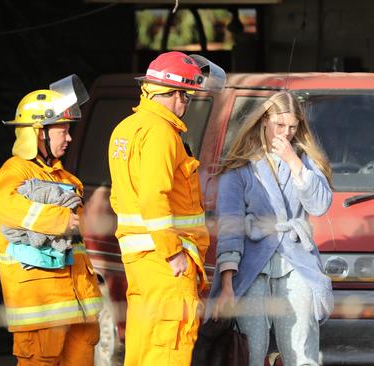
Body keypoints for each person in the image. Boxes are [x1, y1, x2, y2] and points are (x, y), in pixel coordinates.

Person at [107, 51, 225, 366]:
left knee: (144, 346)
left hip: (142, 263)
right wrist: (173, 253)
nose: (186, 104)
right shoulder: (160, 132)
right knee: (169, 346)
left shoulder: (127, 128)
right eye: (186, 96)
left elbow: (125, 197)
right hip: (165, 263)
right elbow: (152, 196)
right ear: (173, 94)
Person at [209, 91, 334, 366]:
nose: (287, 133)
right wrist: (228, 284)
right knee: (250, 349)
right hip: (252, 264)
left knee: (302, 346)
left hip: (295, 261)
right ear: (265, 120)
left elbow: (320, 205)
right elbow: (230, 225)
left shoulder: (305, 160)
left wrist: (293, 162)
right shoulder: (240, 165)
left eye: (293, 127)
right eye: (280, 125)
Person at [0, 75, 103, 365]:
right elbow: (9, 209)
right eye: (62, 131)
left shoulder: (69, 180)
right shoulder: (13, 173)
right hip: (40, 301)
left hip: (78, 301)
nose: (69, 138)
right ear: (38, 133)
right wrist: (61, 218)